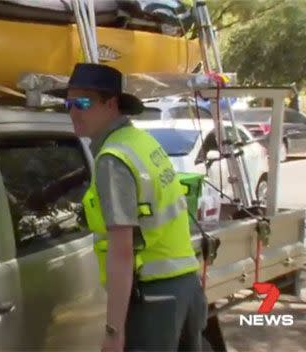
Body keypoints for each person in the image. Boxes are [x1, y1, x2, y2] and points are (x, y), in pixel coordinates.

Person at [60, 63, 208, 352]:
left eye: (83, 102)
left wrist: (113, 332)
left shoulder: (113, 160)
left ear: (111, 104)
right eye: (69, 103)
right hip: (185, 287)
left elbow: (122, 251)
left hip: (153, 298)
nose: (73, 111)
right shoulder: (139, 141)